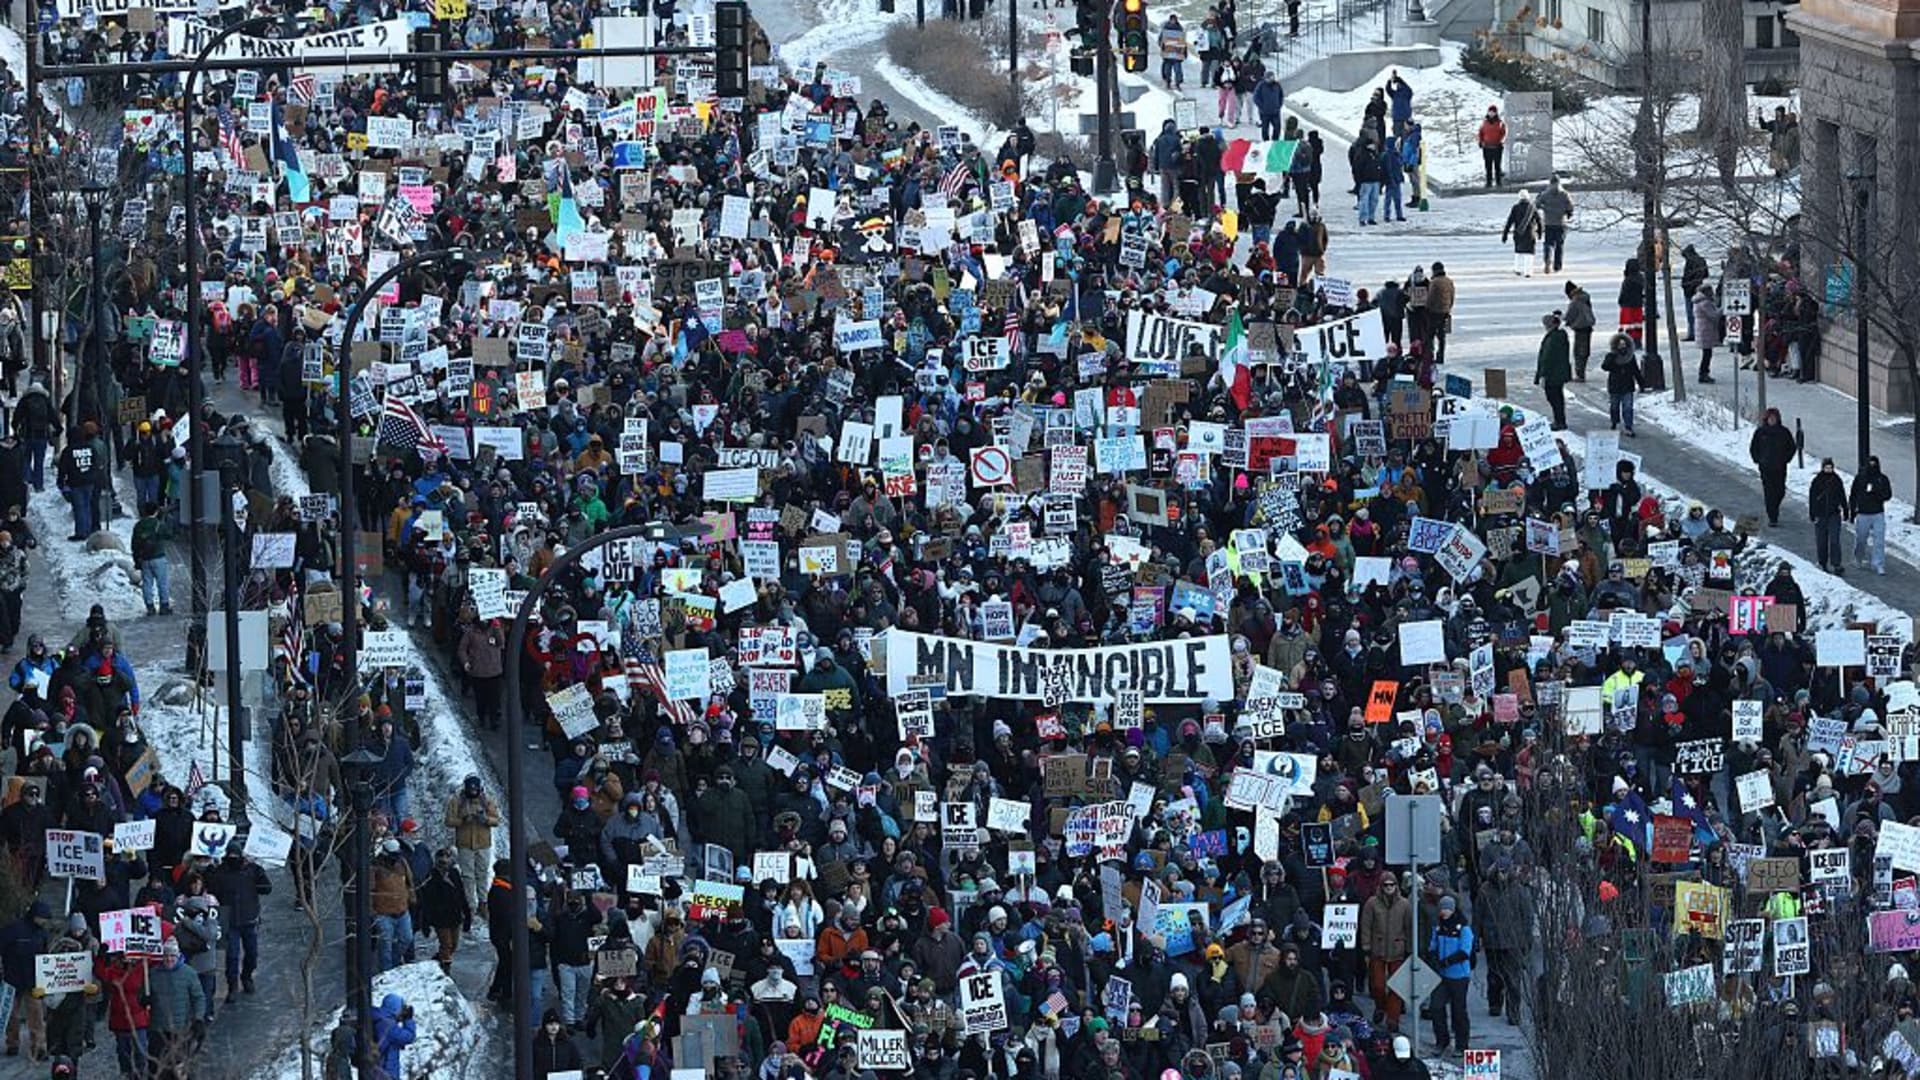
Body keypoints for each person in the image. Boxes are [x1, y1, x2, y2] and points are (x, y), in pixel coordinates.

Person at [144, 939, 205, 1080]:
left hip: (180, 1029)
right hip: (158, 1029)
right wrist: (144, 999)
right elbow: (143, 996)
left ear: (178, 956)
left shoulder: (189, 973)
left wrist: (198, 1018)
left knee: (179, 1069)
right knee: (157, 1068)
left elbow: (198, 997)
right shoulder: (153, 974)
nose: (169, 959)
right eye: (166, 956)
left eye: (172, 956)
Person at [1424, 893, 1474, 1053]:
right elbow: (1433, 945)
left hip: (1459, 976)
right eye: (1442, 909)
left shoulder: (1463, 928)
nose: (1444, 912)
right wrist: (1433, 957)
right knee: (1436, 1007)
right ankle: (1441, 1041)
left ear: (1453, 910)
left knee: (1458, 1011)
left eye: (1447, 909)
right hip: (1442, 975)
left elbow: (1465, 951)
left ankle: (1461, 1044)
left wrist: (1447, 961)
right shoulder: (1439, 927)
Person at [445, 775, 500, 915]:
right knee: (467, 875)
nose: (473, 792)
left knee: (482, 873)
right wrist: (462, 820)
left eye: (476, 790)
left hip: (483, 843)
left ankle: (483, 902)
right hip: (465, 844)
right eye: (471, 790)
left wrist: (485, 819)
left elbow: (496, 820)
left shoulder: (487, 800)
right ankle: (470, 904)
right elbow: (449, 820)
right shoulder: (457, 801)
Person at [1750, 407, 1797, 526]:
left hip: (1780, 467)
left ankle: (1774, 507)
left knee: (1780, 491)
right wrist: (1758, 459)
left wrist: (1786, 459)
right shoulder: (1761, 432)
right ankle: (1772, 517)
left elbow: (1792, 447)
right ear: (1766, 419)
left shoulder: (1784, 432)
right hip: (1765, 467)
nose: (1772, 420)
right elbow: (1754, 447)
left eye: (1774, 418)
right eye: (1770, 418)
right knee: (1769, 492)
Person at [1850, 454, 1892, 574]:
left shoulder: (1882, 479)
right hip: (1863, 513)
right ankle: (1858, 558)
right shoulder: (1860, 478)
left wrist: (1877, 493)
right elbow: (1853, 495)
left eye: (1874, 464)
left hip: (1878, 513)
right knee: (1861, 539)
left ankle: (1878, 564)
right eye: (1870, 463)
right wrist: (1852, 511)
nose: (1872, 466)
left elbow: (1888, 494)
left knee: (1879, 540)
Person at [131, 502, 173, 616]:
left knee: (147, 583)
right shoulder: (158, 524)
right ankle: (164, 606)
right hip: (159, 557)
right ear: (156, 511)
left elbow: (134, 545)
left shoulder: (138, 525)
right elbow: (170, 535)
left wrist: (137, 559)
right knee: (162, 583)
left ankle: (150, 607)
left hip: (145, 558)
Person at [1810, 457, 1849, 575]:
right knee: (1821, 541)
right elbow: (1812, 498)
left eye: (1830, 467)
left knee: (1834, 540)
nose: (1828, 469)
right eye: (1826, 467)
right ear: (1823, 468)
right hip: (1820, 514)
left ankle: (1836, 564)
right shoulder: (1817, 481)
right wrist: (1813, 513)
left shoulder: (1836, 480)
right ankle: (1822, 562)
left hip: (1834, 514)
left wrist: (1845, 509)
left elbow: (1842, 495)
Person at [1535, 312, 1572, 430]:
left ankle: (1559, 421)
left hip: (1552, 375)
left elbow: (1547, 358)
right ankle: (1560, 420)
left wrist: (1543, 375)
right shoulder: (1560, 335)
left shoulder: (1553, 338)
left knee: (1554, 398)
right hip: (1559, 373)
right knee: (1557, 398)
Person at [1601, 332, 1641, 436]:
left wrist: (1641, 383)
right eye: (1620, 344)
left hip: (1627, 385)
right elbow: (1605, 367)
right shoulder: (1611, 356)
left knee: (1628, 407)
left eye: (1624, 344)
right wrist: (1611, 358)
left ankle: (1628, 426)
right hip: (1615, 386)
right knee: (1614, 406)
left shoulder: (1630, 357)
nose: (1622, 347)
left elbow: (1635, 370)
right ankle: (1614, 422)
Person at [371, 993, 417, 1079]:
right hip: (385, 1073)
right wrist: (408, 1019)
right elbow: (409, 1037)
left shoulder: (379, 1020)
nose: (402, 1012)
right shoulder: (388, 1026)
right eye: (401, 1009)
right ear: (395, 1009)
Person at [1536, 175, 1573, 272]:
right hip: (1561, 222)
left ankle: (1547, 259)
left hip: (1549, 222)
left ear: (1550, 183)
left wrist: (1544, 208)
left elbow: (1537, 204)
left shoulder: (1545, 194)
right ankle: (1557, 266)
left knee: (1548, 243)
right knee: (1559, 245)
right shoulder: (1564, 194)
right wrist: (1568, 213)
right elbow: (1570, 207)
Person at [1500, 189, 1541, 277]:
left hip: (1518, 233)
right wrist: (1540, 232)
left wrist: (1505, 234)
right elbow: (1539, 221)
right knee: (1529, 253)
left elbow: (1509, 222)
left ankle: (1517, 269)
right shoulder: (1532, 208)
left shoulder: (1515, 208)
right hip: (1530, 233)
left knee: (1518, 251)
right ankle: (1528, 272)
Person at [1564, 280, 1597, 382]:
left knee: (1578, 352)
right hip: (1588, 327)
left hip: (1580, 328)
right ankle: (1581, 372)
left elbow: (1569, 316)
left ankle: (1580, 374)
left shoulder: (1575, 301)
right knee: (1584, 351)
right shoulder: (1585, 297)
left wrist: (1565, 320)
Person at [1691, 286, 1723, 384]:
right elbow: (1714, 315)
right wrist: (1723, 309)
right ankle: (1703, 373)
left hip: (1703, 329)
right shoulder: (1705, 303)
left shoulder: (1699, 301)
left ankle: (1704, 373)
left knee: (1707, 353)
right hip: (1706, 329)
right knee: (1707, 354)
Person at [1618, 258, 1647, 345]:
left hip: (1627, 306)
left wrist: (1621, 301)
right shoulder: (1641, 278)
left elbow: (1624, 293)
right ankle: (1637, 341)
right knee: (1637, 325)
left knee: (1627, 325)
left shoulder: (1628, 280)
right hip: (1638, 305)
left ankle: (1626, 342)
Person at [1476, 105, 1506, 186]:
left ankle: (1498, 182)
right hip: (1487, 147)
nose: (1491, 113)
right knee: (1488, 166)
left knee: (1497, 165)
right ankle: (1488, 182)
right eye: (1490, 112)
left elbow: (1503, 133)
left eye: (1493, 112)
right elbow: (1480, 133)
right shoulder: (1484, 123)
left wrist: (1500, 141)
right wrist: (1480, 141)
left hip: (1497, 147)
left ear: (1496, 113)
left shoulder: (1500, 123)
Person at [1252, 73, 1284, 141]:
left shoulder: (1277, 85)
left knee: (1277, 128)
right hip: (1264, 112)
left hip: (1275, 111)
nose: (1272, 79)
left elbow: (1281, 95)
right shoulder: (1261, 85)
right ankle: (1266, 141)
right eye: (1270, 78)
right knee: (1265, 128)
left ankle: (1275, 141)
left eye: (1273, 77)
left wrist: (1279, 105)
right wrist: (1262, 106)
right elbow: (1255, 97)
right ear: (1266, 78)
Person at [1159, 14, 1188, 87]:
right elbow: (1161, 40)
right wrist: (1163, 48)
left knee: (1178, 69)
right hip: (1167, 53)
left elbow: (1183, 41)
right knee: (1167, 70)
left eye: (1174, 20)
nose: (1173, 21)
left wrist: (1184, 52)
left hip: (1177, 54)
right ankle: (1168, 81)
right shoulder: (1165, 29)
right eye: (1172, 20)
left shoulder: (1180, 29)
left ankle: (1178, 82)